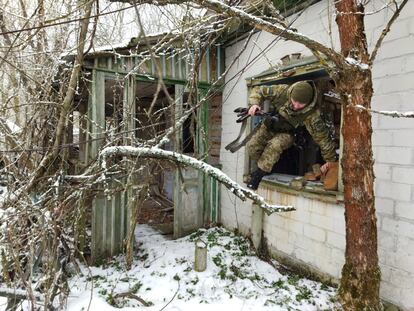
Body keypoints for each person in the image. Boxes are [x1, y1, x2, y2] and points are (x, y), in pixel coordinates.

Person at [246, 80, 337, 190]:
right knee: (252, 147)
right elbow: (258, 90)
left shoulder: (312, 115)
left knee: (274, 145)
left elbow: (323, 139)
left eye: (300, 104)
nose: (296, 106)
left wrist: (331, 161)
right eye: (294, 101)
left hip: (288, 133)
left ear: (307, 103)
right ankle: (268, 166)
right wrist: (254, 104)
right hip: (269, 126)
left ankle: (259, 175)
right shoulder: (282, 91)